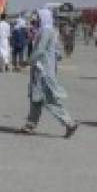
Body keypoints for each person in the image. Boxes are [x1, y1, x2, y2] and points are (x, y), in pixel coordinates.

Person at [20, 8, 78, 137]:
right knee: (36, 98)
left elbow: (40, 50)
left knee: (48, 99)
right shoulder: (51, 31)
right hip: (45, 69)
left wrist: (28, 61)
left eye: (39, 18)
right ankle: (30, 124)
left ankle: (69, 123)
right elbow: (57, 53)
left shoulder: (46, 31)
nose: (37, 20)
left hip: (42, 72)